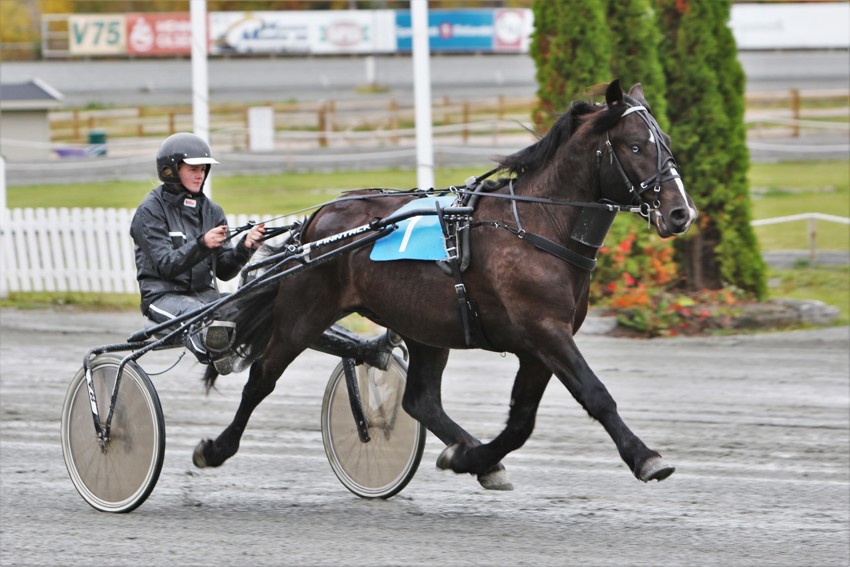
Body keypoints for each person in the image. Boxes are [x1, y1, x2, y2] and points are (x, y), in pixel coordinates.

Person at [130, 132, 266, 375]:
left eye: (203, 169)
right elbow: (165, 266)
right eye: (193, 168)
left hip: (205, 295)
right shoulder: (149, 211)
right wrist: (202, 244)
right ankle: (217, 353)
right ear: (171, 170)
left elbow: (224, 271)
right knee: (201, 316)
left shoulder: (213, 211)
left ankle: (234, 350)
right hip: (162, 297)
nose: (199, 174)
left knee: (246, 308)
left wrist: (245, 248)